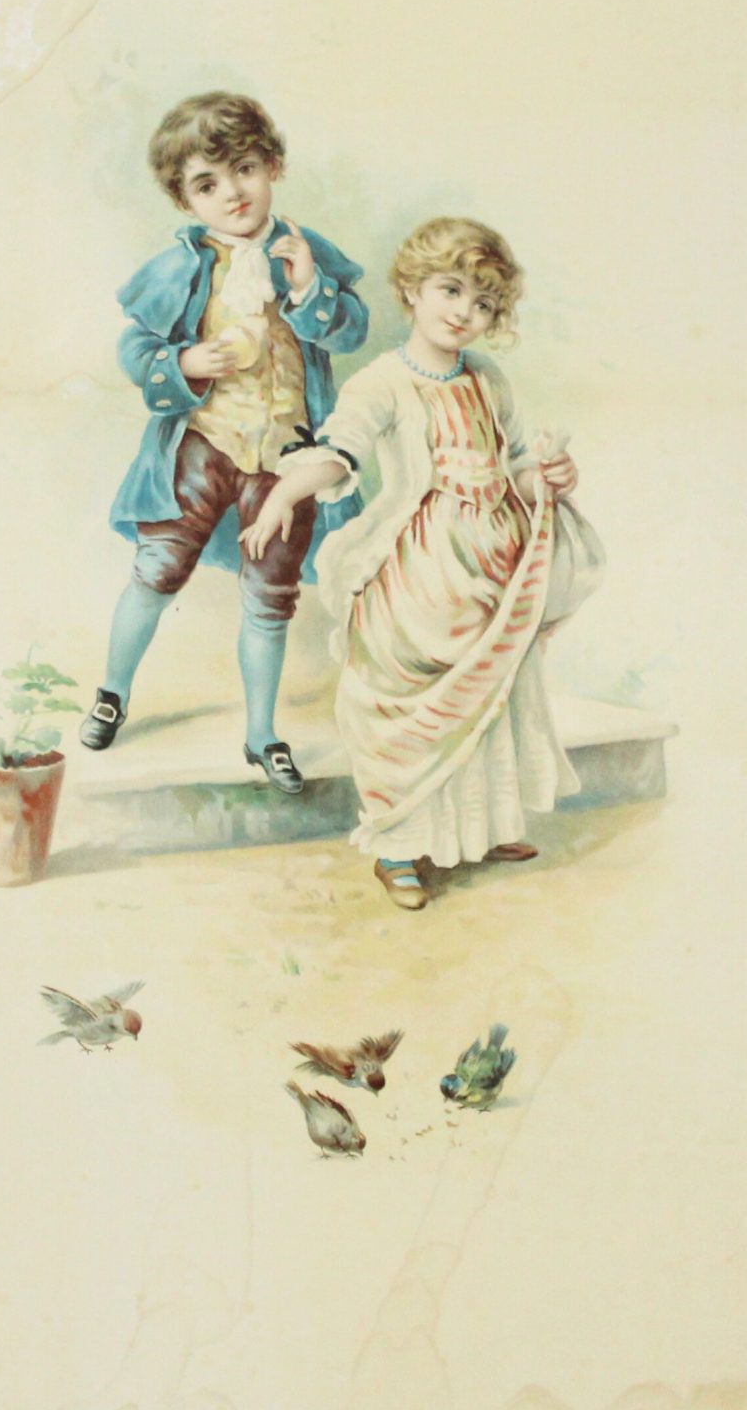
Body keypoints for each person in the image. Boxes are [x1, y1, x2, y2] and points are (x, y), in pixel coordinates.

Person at [240, 217, 602, 906]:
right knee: (407, 713)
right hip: (420, 577)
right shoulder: (382, 382)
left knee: (488, 701)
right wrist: (285, 492)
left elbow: (515, 467)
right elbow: (339, 451)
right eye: (450, 290)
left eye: (483, 302)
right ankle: (398, 847)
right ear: (412, 289)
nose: (464, 312)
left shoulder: (487, 377)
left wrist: (550, 478)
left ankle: (482, 828)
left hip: (493, 569)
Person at [87, 93, 369, 789]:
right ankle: (112, 693)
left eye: (244, 169)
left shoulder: (304, 251)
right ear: (185, 199)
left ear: (273, 166)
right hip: (203, 447)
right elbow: (135, 350)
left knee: (270, 599)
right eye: (207, 184)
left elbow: (351, 332)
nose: (232, 193)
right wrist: (182, 362)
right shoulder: (180, 266)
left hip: (287, 460)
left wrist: (309, 288)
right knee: (156, 572)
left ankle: (262, 735)